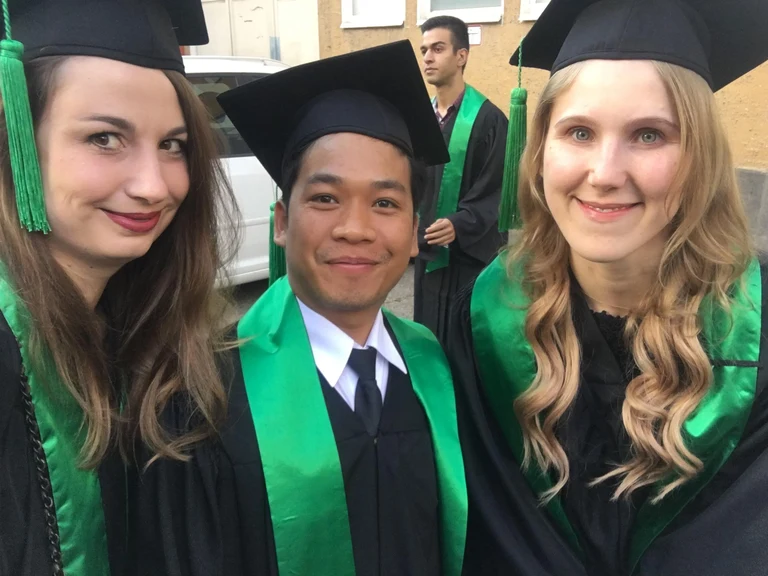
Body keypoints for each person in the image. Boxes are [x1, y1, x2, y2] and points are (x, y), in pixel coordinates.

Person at [447, 0, 768, 574]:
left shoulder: (755, 329)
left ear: (699, 157)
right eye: (578, 132)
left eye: (648, 135)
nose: (604, 172)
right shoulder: (484, 317)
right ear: (540, 148)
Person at [133, 40, 469, 576]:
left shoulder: (440, 372)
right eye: (325, 199)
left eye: (385, 203)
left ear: (413, 233)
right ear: (282, 222)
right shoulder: (202, 398)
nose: (354, 228)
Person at [0, 1, 238, 574]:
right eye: (105, 138)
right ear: (17, 142)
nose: (154, 186)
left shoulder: (144, 330)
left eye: (173, 145)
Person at [414, 15, 508, 343]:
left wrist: (461, 223)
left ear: (461, 56)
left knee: (464, 345)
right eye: (424, 49)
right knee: (426, 340)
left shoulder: (489, 120)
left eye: (438, 48)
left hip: (467, 260)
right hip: (426, 254)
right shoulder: (418, 118)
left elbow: (496, 189)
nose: (427, 57)